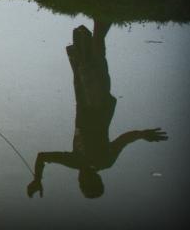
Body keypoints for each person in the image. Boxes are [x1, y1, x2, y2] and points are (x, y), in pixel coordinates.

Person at [26, 19, 167, 198]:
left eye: (82, 184)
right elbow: (42, 157)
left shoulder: (99, 162)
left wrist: (141, 134)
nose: (80, 180)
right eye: (84, 183)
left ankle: (102, 17)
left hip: (93, 103)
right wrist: (37, 178)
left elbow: (124, 140)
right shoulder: (87, 161)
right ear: (92, 180)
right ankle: (102, 16)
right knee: (93, 61)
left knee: (95, 60)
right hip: (95, 103)